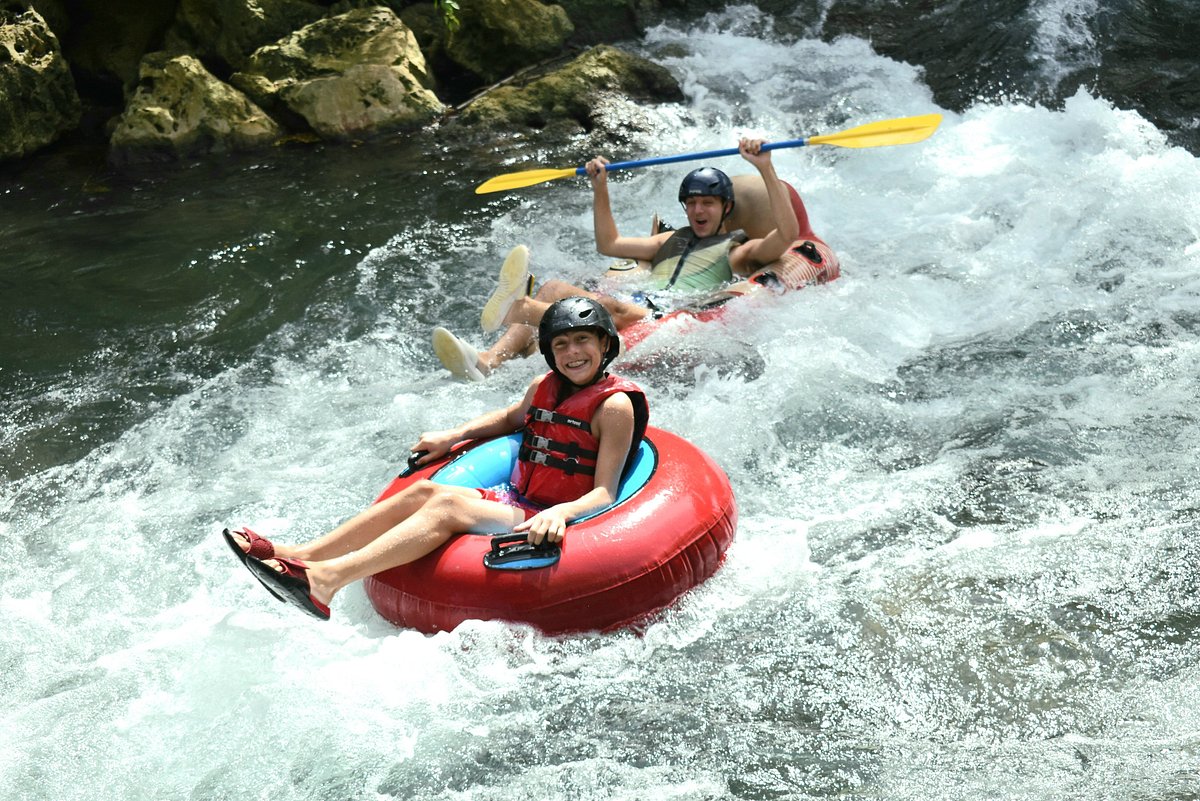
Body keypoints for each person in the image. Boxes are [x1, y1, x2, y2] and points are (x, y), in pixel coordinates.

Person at [224, 297, 649, 620]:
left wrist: (560, 514)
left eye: (582, 340)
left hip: (549, 518)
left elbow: (604, 492)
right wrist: (455, 435)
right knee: (425, 490)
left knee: (446, 505)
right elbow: (511, 419)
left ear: (605, 344)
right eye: (561, 344)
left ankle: (326, 581)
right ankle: (300, 554)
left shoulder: (613, 407)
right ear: (549, 353)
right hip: (518, 499)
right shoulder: (544, 385)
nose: (573, 352)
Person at [432, 137, 802, 381]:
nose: (698, 210)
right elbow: (609, 243)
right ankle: (487, 361)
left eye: (707, 203)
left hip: (673, 314)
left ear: (726, 208)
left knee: (600, 303)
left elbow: (787, 235)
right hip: (641, 301)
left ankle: (515, 307)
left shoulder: (738, 252)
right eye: (691, 203)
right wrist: (600, 187)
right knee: (554, 287)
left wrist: (764, 167)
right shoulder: (667, 241)